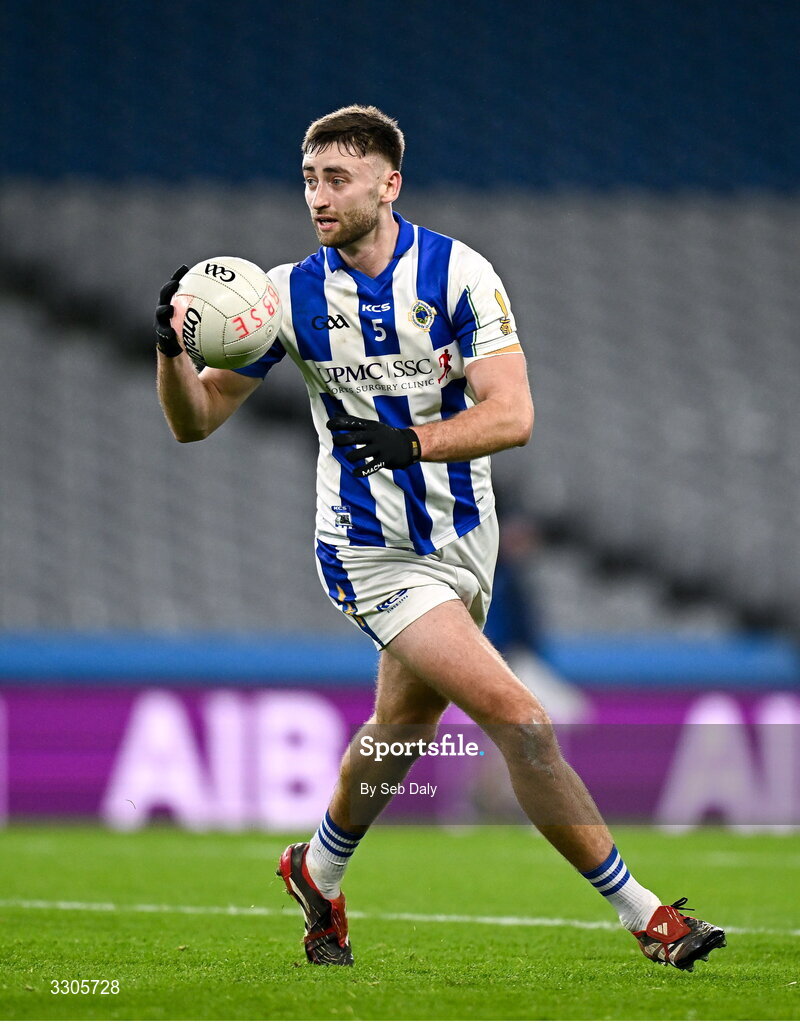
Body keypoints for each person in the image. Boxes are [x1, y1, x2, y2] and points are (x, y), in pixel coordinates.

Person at [154, 105, 725, 971]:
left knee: (400, 730)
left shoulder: (458, 275)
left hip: (464, 542)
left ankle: (315, 870)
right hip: (367, 549)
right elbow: (195, 424)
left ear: (389, 183)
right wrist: (169, 350)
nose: (318, 195)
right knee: (523, 722)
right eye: (309, 178)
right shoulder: (284, 298)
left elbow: (515, 414)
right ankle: (647, 918)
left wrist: (412, 441)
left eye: (336, 178)